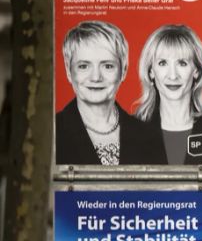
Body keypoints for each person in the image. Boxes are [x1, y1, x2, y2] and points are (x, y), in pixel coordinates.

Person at [56, 20, 166, 165]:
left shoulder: (149, 136)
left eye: (107, 66)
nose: (96, 77)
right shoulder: (51, 132)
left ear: (124, 71)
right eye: (83, 66)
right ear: (69, 72)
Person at [134, 24, 202, 165]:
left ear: (196, 70)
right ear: (151, 72)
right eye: (162, 63)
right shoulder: (132, 130)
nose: (173, 76)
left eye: (182, 63)